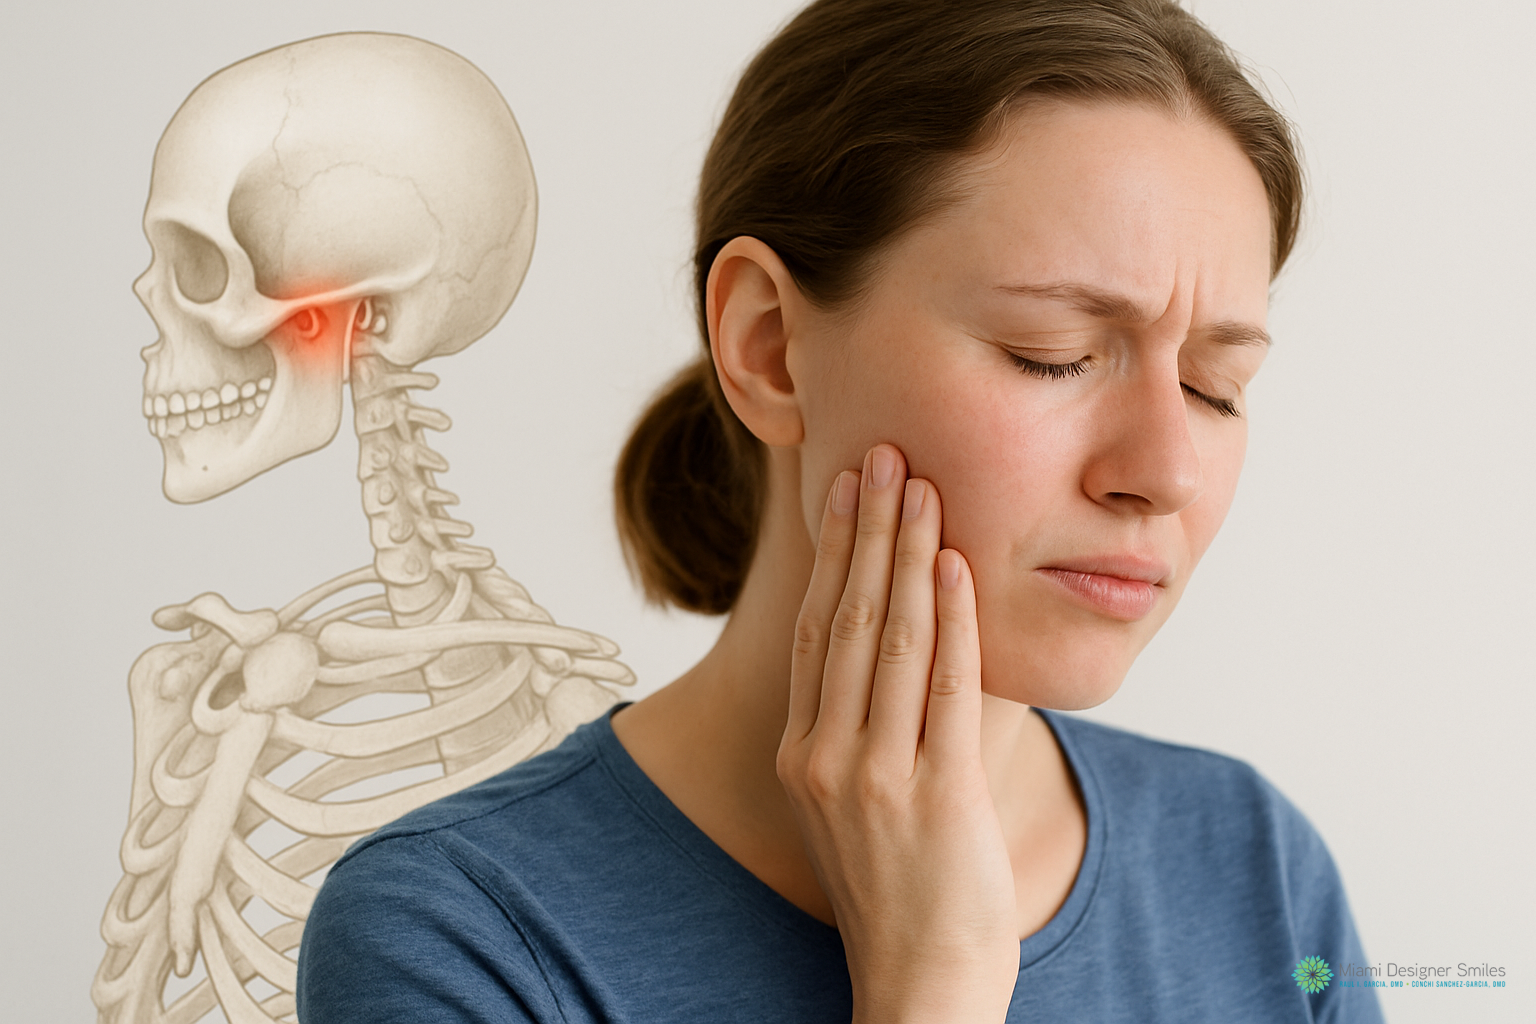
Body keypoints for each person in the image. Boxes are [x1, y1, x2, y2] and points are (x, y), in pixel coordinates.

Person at [297, 1, 1384, 1020]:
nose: (1166, 470)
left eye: (1212, 386)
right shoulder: (457, 934)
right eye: (1051, 355)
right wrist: (933, 980)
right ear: (769, 346)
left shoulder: (1257, 872)